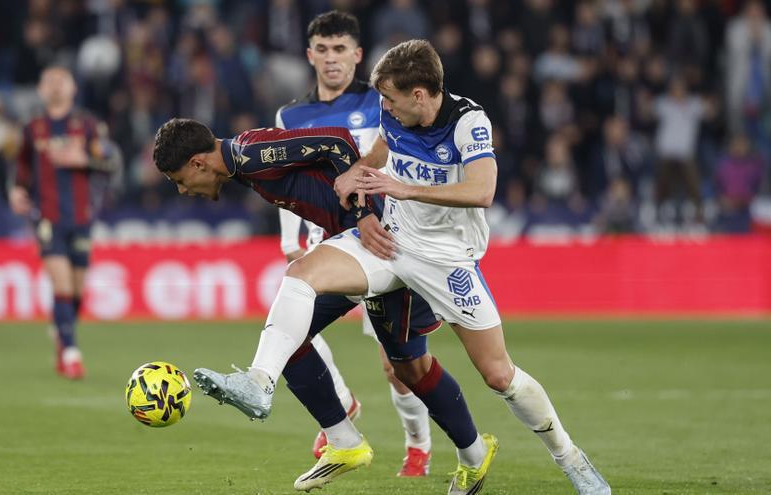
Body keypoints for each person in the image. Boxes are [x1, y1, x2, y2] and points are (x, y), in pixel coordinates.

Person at [194, 40, 611, 495]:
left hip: (447, 259)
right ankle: (260, 383)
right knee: (300, 278)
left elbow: (483, 190)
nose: (384, 107)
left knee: (498, 375)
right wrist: (359, 170)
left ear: (419, 95)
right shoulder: (395, 115)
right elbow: (379, 149)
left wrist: (406, 188)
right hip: (389, 240)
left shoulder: (468, 122)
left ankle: (571, 459)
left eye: (390, 99)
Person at [152, 119, 495, 493]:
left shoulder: (250, 155)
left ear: (199, 163)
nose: (183, 190)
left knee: (410, 368)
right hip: (355, 247)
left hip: (386, 241)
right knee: (290, 335)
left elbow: (336, 140)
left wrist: (363, 215)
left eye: (179, 179)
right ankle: (343, 441)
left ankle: (476, 456)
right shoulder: (243, 164)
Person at [275, 10, 432, 475]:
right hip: (328, 242)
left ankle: (417, 444)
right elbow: (285, 180)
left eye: (340, 49)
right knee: (290, 323)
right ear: (309, 55)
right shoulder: (291, 115)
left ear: (357, 55)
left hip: (386, 239)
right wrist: (291, 241)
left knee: (398, 365)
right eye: (322, 49)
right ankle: (342, 405)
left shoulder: (385, 101)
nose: (331, 59)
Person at [9, 66, 117, 380]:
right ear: (41, 90)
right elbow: (22, 167)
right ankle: (71, 353)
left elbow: (109, 161)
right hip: (47, 217)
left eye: (61, 81)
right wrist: (17, 191)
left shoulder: (88, 126)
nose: (55, 87)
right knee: (62, 284)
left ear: (73, 88)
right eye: (49, 82)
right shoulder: (33, 128)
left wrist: (83, 160)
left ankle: (61, 332)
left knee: (77, 292)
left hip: (82, 217)